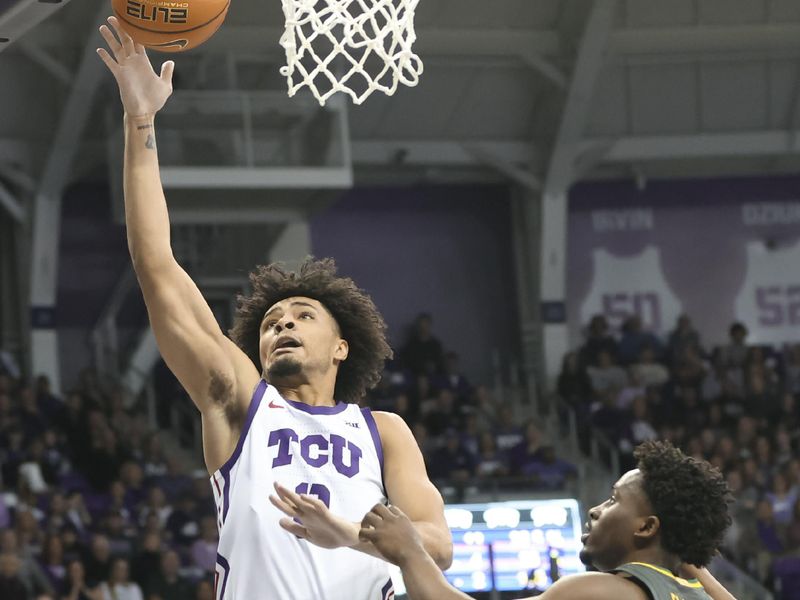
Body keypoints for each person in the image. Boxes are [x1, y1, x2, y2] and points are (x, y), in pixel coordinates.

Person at [96, 18, 451, 600]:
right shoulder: (239, 401)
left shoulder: (383, 431)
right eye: (270, 323)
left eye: (304, 315)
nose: (283, 322)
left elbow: (438, 544)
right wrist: (141, 124)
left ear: (343, 346)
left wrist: (348, 533)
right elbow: (156, 264)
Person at [355, 441, 738, 600]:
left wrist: (410, 553)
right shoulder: (695, 591)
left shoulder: (603, 590)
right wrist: (683, 548)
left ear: (646, 527)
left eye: (613, 500)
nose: (596, 509)